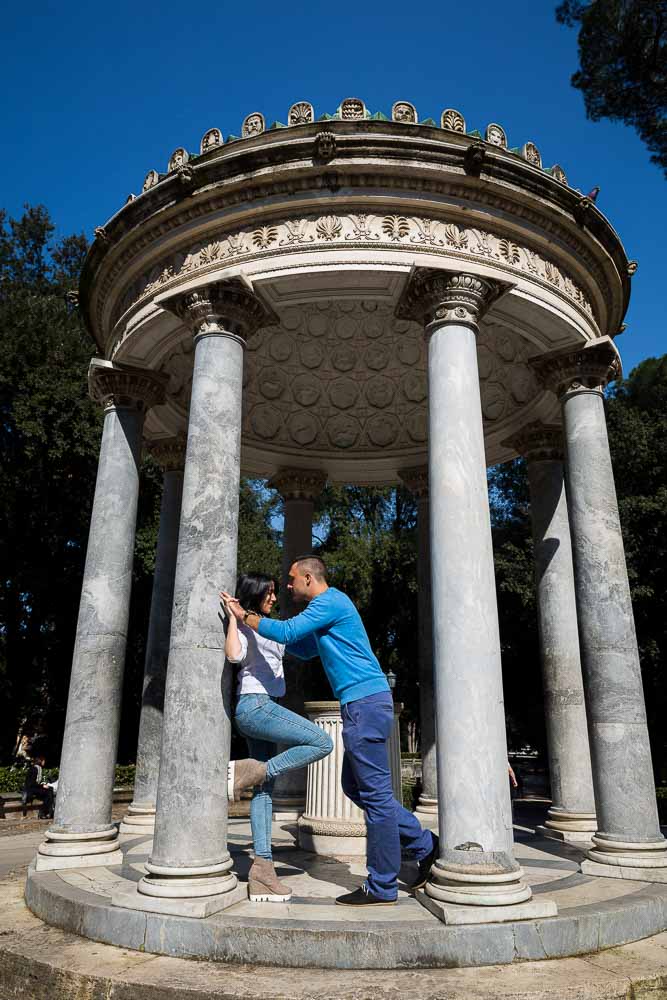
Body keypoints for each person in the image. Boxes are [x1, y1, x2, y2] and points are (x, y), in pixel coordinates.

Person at [222, 555, 438, 907]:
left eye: (292, 580)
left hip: (365, 703)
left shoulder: (329, 602)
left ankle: (383, 884)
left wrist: (244, 616)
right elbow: (301, 647)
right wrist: (248, 631)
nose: (288, 586)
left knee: (378, 800)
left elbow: (290, 632)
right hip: (362, 705)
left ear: (308, 578)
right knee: (354, 787)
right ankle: (426, 845)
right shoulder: (326, 613)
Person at [221, 572, 334, 903]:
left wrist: (328, 625)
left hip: (266, 707)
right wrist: (233, 618)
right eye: (268, 593)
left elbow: (305, 647)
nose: (274, 597)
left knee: (263, 791)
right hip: (255, 707)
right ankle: (252, 770)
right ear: (255, 595)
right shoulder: (243, 624)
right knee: (320, 741)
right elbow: (233, 656)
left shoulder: (268, 626)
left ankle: (262, 871)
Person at [22, 753, 54, 820]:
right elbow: (32, 783)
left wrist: (42, 785)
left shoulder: (35, 767)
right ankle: (44, 812)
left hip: (32, 788)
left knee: (49, 791)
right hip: (31, 789)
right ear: (40, 761)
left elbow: (35, 782)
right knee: (48, 793)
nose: (44, 762)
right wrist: (42, 786)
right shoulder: (36, 769)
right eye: (43, 761)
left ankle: (47, 812)